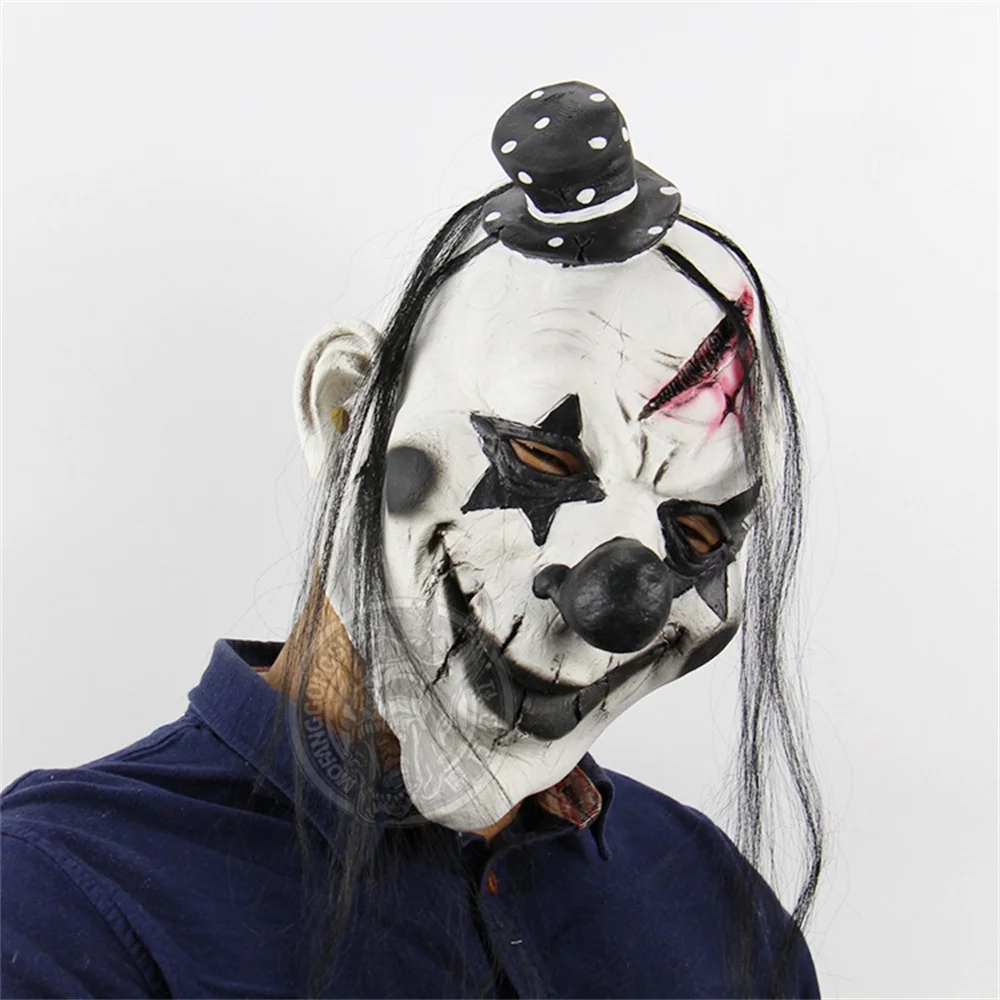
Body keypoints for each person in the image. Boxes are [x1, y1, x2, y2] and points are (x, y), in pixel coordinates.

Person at [1, 81, 823, 999]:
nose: (616, 602)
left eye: (700, 528)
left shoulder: (714, 906)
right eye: (542, 457)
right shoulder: (54, 906)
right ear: (345, 415)